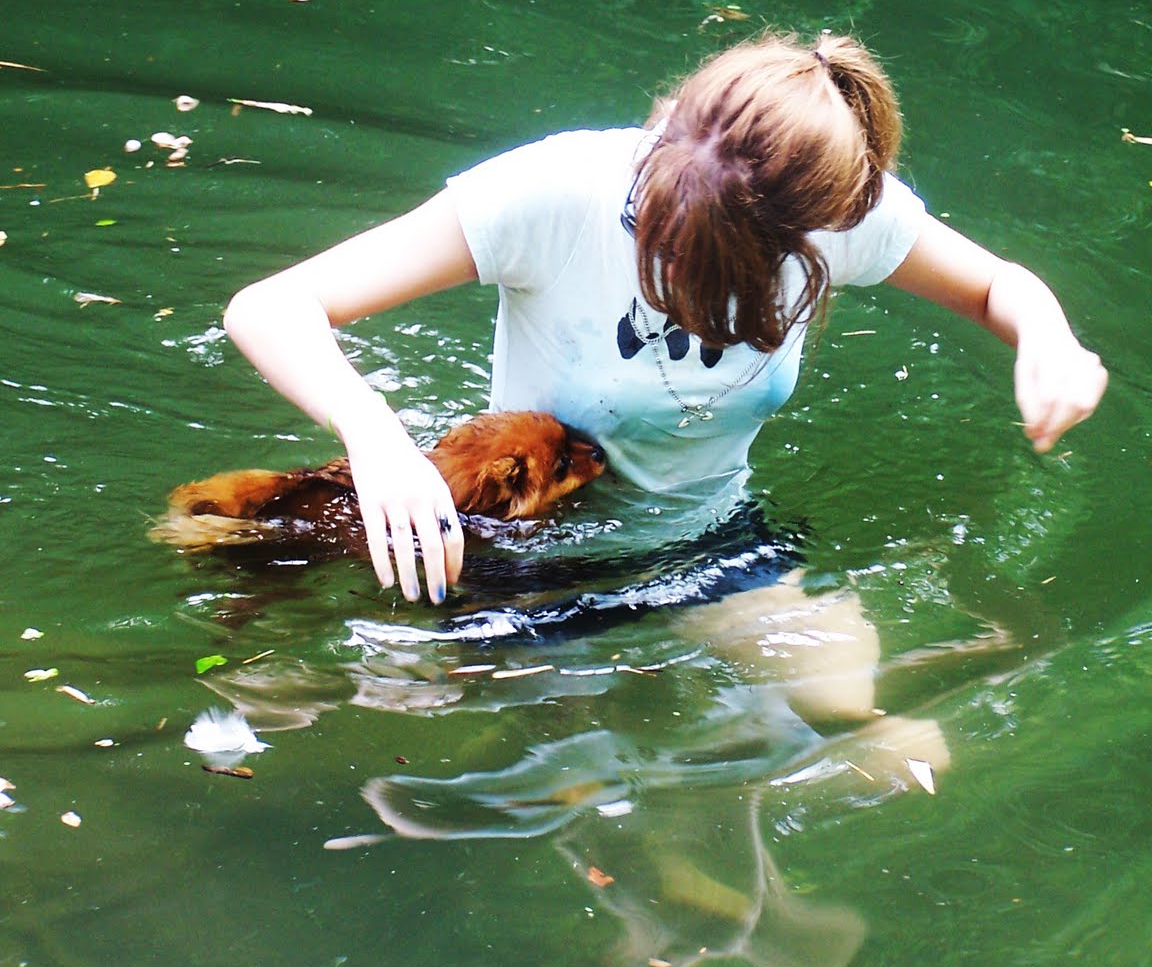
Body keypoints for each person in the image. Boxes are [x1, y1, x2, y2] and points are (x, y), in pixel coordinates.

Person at [222, 31, 1108, 606]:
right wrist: (377, 438)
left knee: (857, 739)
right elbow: (270, 306)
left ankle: (752, 891)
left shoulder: (843, 212)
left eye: (701, 252)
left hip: (712, 538)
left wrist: (1049, 340)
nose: (670, 261)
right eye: (659, 226)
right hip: (528, 558)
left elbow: (1002, 289)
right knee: (551, 777)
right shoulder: (557, 191)